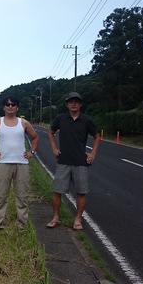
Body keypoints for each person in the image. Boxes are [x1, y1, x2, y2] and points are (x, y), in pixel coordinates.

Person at [0, 95, 39, 229]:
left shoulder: (23, 123)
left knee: (22, 195)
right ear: (3, 107)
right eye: (8, 104)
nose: (10, 106)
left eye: (13, 104)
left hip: (21, 163)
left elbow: (35, 138)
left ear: (17, 107)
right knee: (1, 195)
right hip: (3, 163)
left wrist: (32, 152)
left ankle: (22, 224)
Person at [46, 91, 100, 230]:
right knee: (57, 191)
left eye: (76, 101)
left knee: (81, 192)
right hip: (63, 161)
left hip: (81, 162)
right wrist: (54, 148)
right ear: (67, 104)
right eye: (71, 101)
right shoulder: (61, 119)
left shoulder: (86, 120)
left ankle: (77, 219)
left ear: (81, 104)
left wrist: (92, 154)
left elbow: (97, 137)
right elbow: (51, 132)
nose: (74, 104)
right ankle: (56, 217)